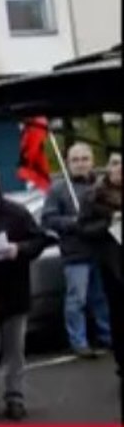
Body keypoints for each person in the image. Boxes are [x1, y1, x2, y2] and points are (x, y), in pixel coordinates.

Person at [0, 163, 50, 421]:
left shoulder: (16, 213)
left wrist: (19, 250)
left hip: (14, 292)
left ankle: (15, 398)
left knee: (15, 352)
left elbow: (40, 240)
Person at [42, 142, 113, 357]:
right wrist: (75, 223)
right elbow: (48, 219)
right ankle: (79, 342)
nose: (80, 164)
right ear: (67, 163)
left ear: (92, 161)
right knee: (77, 300)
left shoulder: (102, 186)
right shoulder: (58, 189)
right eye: (75, 160)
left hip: (101, 251)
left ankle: (107, 336)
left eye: (84, 159)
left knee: (102, 298)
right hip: (75, 254)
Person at [78, 152, 122, 379]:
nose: (119, 168)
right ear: (107, 167)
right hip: (113, 266)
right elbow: (83, 229)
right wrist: (108, 223)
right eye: (115, 163)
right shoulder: (94, 196)